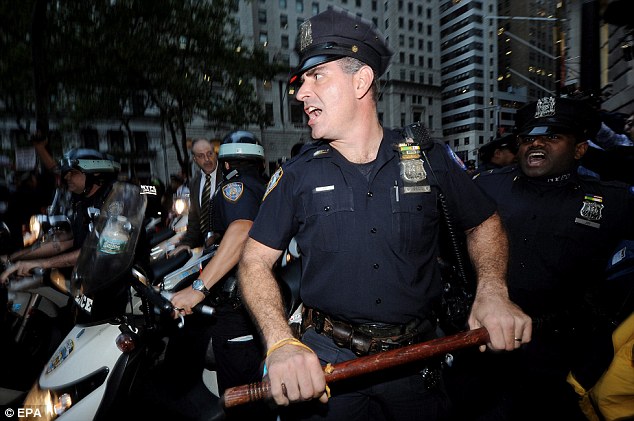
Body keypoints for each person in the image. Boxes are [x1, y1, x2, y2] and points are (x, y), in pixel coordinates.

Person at [236, 7, 531, 421]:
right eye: (302, 81)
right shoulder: (296, 175)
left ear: (362, 80)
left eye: (317, 76)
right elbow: (253, 261)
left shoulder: (431, 159)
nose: (301, 93)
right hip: (327, 363)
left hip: (418, 360)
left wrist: (494, 291)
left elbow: (483, 222)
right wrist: (281, 341)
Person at [457, 96, 634, 420]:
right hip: (484, 351)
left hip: (561, 357)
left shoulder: (613, 201)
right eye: (528, 138)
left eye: (552, 137)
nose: (536, 144)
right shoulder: (486, 187)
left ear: (580, 148)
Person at [144, 131, 273, 420]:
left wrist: (199, 288)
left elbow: (240, 231)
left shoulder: (236, 185)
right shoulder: (260, 184)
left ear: (225, 163)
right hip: (250, 296)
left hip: (238, 303)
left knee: (242, 396)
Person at [0, 148, 120, 284]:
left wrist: (42, 263)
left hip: (115, 280)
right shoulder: (81, 201)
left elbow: (103, 250)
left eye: (72, 172)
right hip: (87, 278)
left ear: (95, 172)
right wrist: (12, 259)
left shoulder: (114, 200)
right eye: (66, 173)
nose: (66, 177)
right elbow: (63, 243)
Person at [168, 138, 220, 257]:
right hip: (207, 251)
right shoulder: (194, 184)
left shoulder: (228, 178)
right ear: (195, 159)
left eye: (209, 154)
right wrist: (186, 243)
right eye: (201, 156)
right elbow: (195, 220)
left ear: (215, 154)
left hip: (229, 248)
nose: (207, 159)